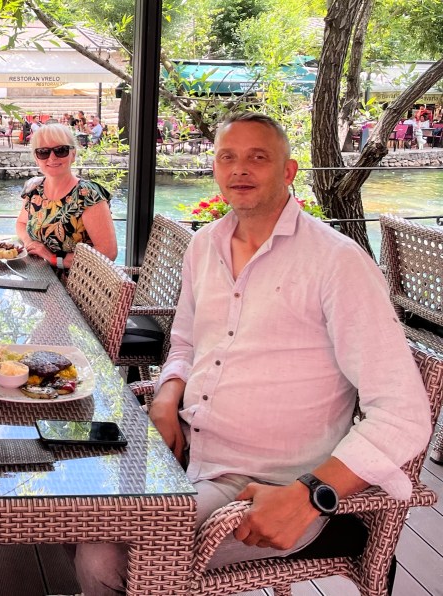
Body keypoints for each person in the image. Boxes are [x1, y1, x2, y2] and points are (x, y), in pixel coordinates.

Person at [73, 112, 432, 595]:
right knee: (70, 494)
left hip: (266, 486)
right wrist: (167, 397)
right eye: (228, 157)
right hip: (184, 446)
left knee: (108, 553)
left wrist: (310, 494)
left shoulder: (337, 263)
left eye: (258, 157)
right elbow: (186, 341)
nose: (240, 169)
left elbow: (403, 414)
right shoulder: (204, 245)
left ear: (289, 171)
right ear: (215, 169)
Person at [15, 122, 117, 273]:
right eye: (43, 152)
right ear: (36, 158)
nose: (52, 157)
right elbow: (21, 223)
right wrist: (30, 243)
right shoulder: (34, 188)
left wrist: (54, 258)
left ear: (73, 155)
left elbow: (108, 252)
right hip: (35, 275)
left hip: (76, 282)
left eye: (60, 150)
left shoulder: (87, 195)